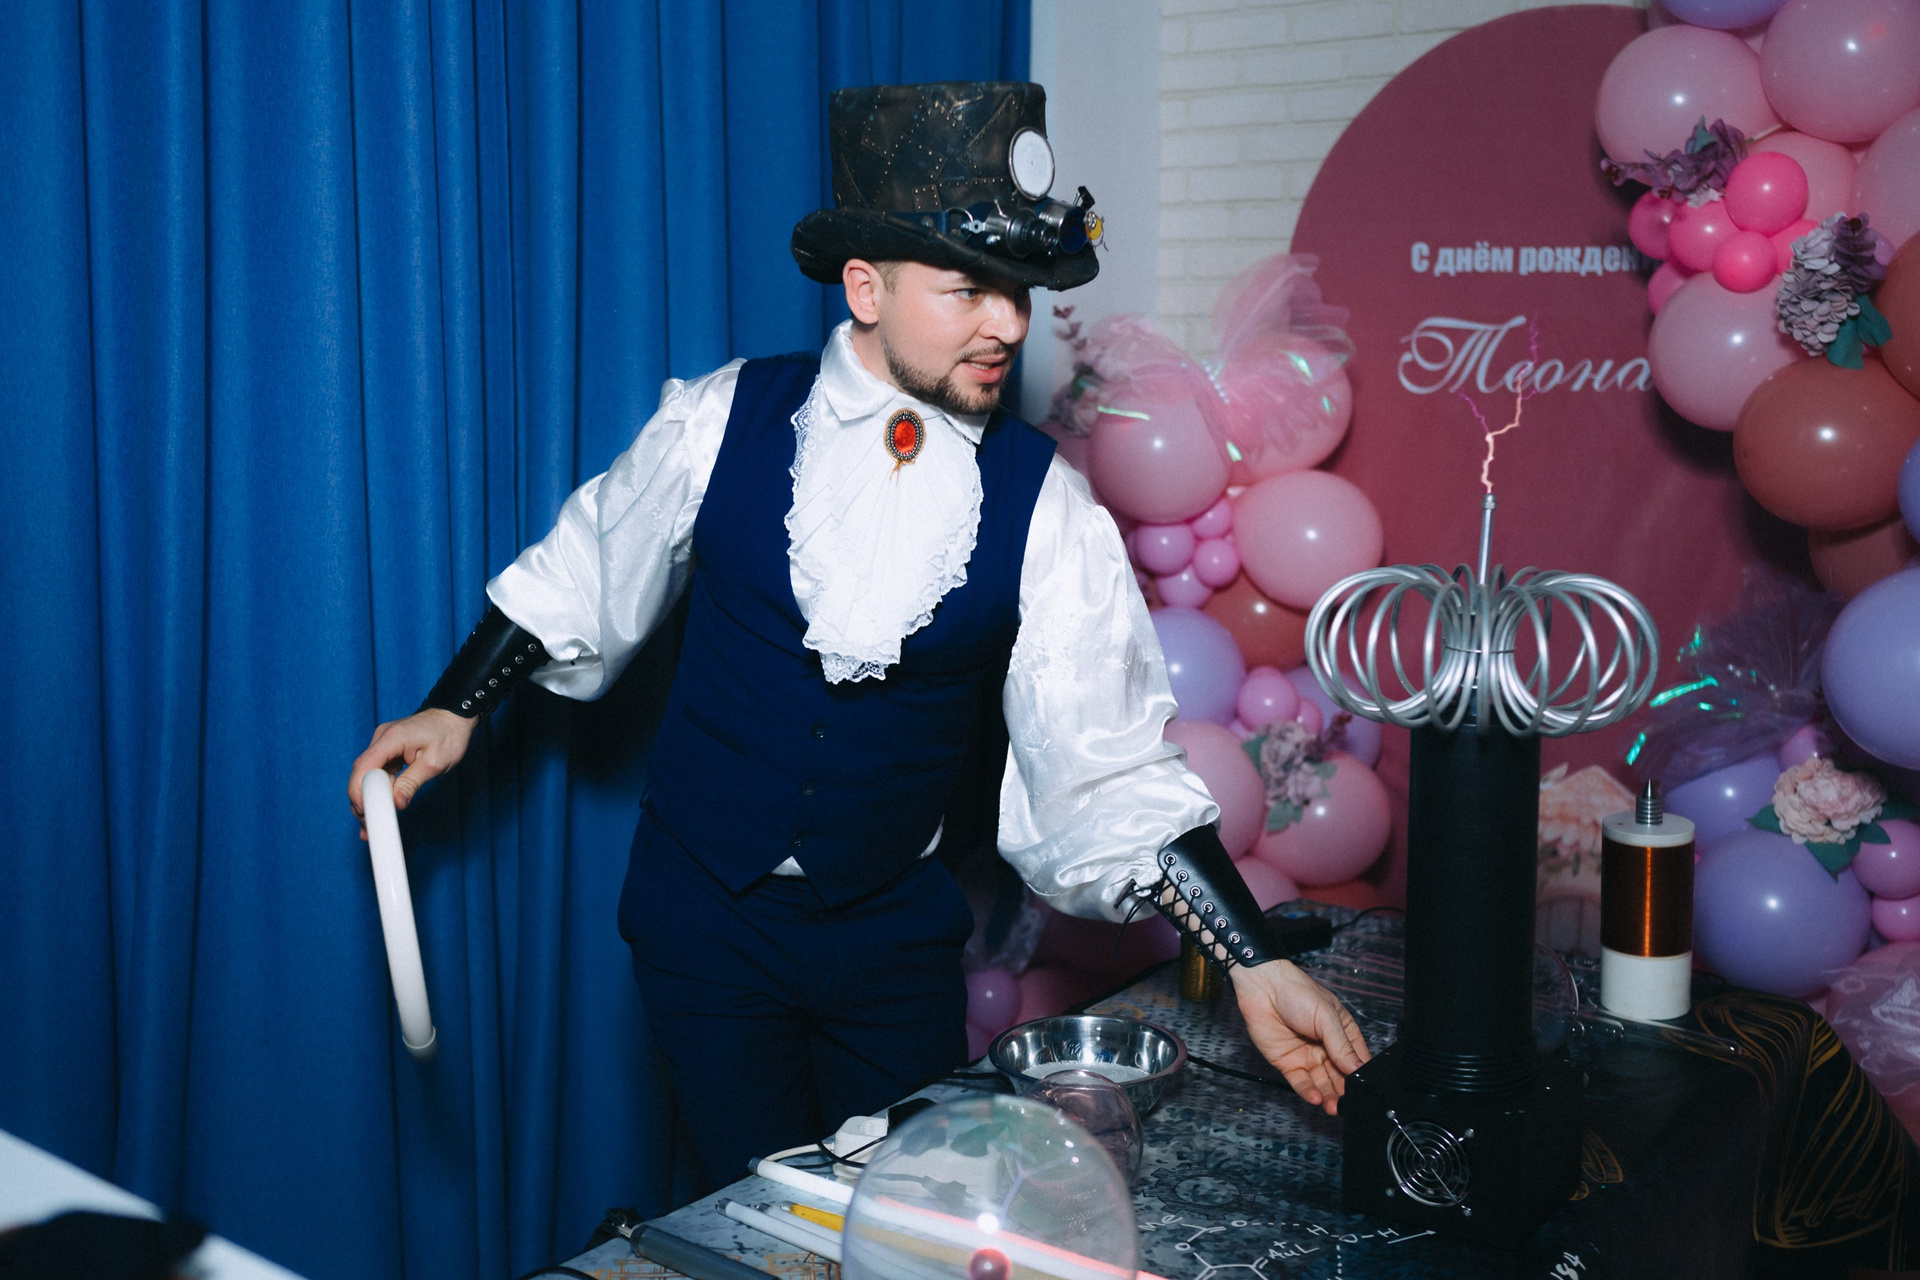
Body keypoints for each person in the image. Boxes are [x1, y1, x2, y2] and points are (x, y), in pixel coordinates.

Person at [348, 80, 1368, 1191]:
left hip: (892, 940)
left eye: (1019, 291)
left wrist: (1254, 961)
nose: (1007, 323)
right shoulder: (722, 417)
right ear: (866, 287)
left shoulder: (1048, 506)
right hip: (705, 923)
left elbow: (1107, 768)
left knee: (906, 1214)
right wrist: (455, 705)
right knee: (747, 1210)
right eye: (969, 288)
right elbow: (582, 573)